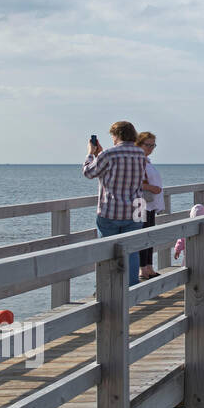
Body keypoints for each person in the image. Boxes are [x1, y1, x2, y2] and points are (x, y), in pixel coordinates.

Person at [83, 120, 148, 287]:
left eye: (112, 135)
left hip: (111, 209)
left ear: (117, 135)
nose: (112, 138)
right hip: (136, 209)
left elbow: (89, 172)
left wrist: (91, 153)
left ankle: (108, 289)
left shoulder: (109, 155)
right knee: (132, 251)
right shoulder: (140, 154)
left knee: (107, 252)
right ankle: (130, 289)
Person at [136, 132, 163, 279]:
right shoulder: (137, 160)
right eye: (148, 145)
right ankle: (142, 269)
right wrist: (151, 188)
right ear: (138, 144)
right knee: (142, 236)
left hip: (150, 204)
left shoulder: (146, 160)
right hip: (140, 203)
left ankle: (149, 267)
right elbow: (133, 182)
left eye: (153, 145)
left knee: (150, 235)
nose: (151, 148)